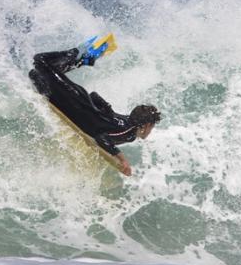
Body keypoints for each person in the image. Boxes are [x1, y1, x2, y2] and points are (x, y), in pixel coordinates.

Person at [28, 41, 161, 176]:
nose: (151, 130)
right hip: (73, 99)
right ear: (148, 125)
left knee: (35, 75)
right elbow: (101, 137)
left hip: (75, 102)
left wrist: (103, 111)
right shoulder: (128, 131)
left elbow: (95, 97)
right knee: (40, 61)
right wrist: (122, 159)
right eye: (152, 126)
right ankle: (72, 53)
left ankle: (78, 61)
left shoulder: (127, 125)